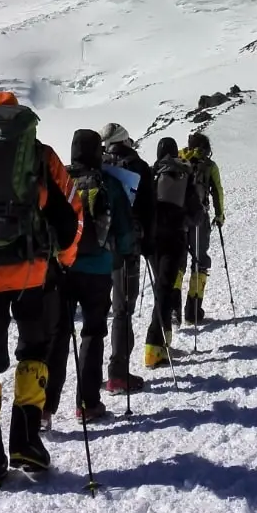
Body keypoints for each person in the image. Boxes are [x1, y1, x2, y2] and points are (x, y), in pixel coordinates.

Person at [0, 91, 83, 493]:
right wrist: (66, 259)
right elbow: (71, 213)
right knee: (34, 351)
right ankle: (26, 443)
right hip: (32, 273)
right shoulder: (42, 157)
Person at [43, 128, 136, 426]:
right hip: (98, 270)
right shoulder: (108, 182)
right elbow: (122, 232)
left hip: (62, 268)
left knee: (58, 335)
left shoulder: (60, 180)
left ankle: (45, 408)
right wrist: (123, 253)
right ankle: (87, 404)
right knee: (93, 333)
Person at [99, 122, 156, 395]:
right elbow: (148, 208)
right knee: (122, 311)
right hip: (127, 248)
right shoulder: (138, 166)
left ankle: (89, 382)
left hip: (97, 248)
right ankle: (118, 374)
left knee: (96, 312)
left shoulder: (97, 166)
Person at [144, 136, 200, 368]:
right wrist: (185, 222)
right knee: (165, 291)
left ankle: (162, 342)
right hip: (175, 238)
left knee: (161, 288)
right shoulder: (184, 173)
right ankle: (153, 347)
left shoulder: (150, 172)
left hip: (153, 239)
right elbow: (196, 213)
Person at [175, 131, 225, 326]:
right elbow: (217, 192)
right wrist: (220, 216)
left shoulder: (178, 158)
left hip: (177, 218)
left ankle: (173, 309)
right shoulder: (209, 165)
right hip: (199, 218)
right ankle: (193, 311)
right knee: (200, 261)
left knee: (178, 262)